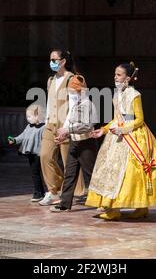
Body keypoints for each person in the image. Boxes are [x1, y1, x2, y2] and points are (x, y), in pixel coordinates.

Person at [86, 62, 156, 221]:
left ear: (128, 78)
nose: (115, 77)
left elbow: (140, 119)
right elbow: (116, 118)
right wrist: (104, 130)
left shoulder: (134, 95)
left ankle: (135, 207)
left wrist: (123, 129)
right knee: (112, 170)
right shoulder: (116, 94)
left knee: (132, 172)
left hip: (133, 135)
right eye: (115, 74)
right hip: (116, 135)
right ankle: (117, 207)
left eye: (119, 75)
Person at [39, 49, 85, 206]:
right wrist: (46, 121)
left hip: (66, 125)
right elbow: (49, 102)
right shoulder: (51, 80)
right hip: (51, 124)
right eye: (50, 59)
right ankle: (53, 190)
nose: (51, 62)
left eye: (54, 59)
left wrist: (67, 128)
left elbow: (75, 105)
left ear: (63, 61)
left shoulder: (72, 79)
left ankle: (75, 192)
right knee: (45, 155)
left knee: (68, 161)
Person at [50, 75, 98, 212]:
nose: (71, 94)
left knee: (91, 174)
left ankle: (103, 202)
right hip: (75, 143)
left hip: (86, 144)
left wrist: (67, 130)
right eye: (70, 91)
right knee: (70, 173)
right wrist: (62, 135)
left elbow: (87, 126)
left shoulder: (88, 105)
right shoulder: (75, 105)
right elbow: (70, 122)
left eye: (73, 91)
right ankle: (65, 203)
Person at [8, 104, 46, 202]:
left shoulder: (43, 128)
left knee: (40, 173)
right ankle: (39, 192)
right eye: (27, 116)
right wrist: (15, 140)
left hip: (40, 154)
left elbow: (46, 141)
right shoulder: (29, 126)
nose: (27, 119)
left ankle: (43, 192)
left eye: (29, 116)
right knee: (35, 173)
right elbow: (23, 136)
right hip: (31, 154)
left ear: (37, 116)